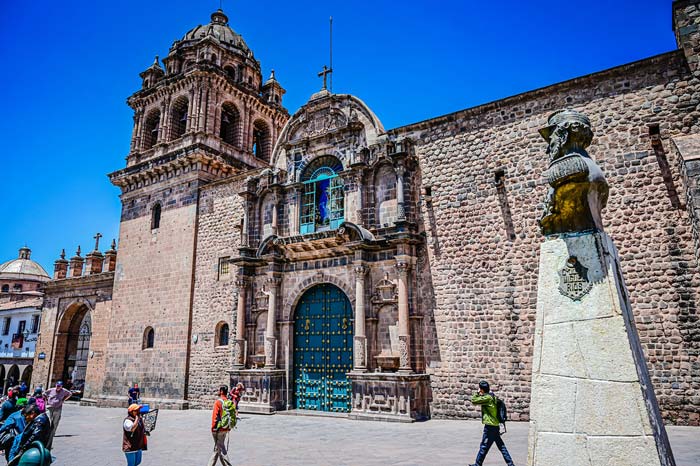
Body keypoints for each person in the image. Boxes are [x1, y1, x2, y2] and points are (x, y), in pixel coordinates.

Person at [468, 380, 515, 466]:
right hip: (495, 425)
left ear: (482, 389)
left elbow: (473, 400)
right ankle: (510, 464)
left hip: (490, 426)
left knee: (484, 446)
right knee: (501, 446)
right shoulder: (492, 396)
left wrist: (477, 393)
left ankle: (477, 464)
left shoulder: (487, 398)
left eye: (480, 388)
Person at [208, 385, 233, 466]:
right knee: (217, 449)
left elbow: (215, 417)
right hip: (225, 428)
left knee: (221, 449)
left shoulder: (218, 402)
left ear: (222, 391)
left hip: (218, 429)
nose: (217, 391)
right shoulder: (229, 402)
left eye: (218, 390)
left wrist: (213, 428)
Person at [45, 380, 72, 449]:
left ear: (61, 387)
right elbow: (44, 394)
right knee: (49, 420)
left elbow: (70, 394)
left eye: (59, 386)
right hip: (50, 407)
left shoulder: (64, 391)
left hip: (58, 408)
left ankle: (52, 433)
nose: (58, 387)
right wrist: (47, 400)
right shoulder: (51, 390)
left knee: (55, 421)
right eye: (57, 386)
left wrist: (63, 400)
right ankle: (47, 432)